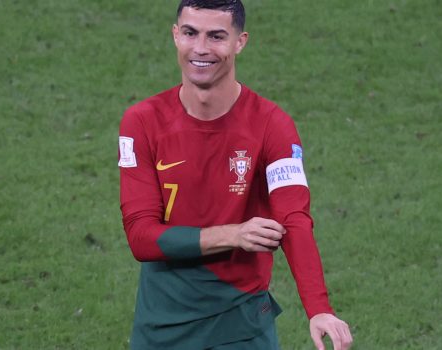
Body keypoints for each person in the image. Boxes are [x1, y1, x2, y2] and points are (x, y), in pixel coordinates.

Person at [117, 1, 353, 349]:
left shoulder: (273, 125)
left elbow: (294, 219)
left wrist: (319, 308)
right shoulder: (142, 122)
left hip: (241, 324)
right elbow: (141, 237)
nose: (200, 48)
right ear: (175, 36)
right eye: (190, 33)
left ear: (240, 42)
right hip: (162, 325)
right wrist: (233, 234)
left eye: (216, 36)